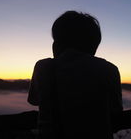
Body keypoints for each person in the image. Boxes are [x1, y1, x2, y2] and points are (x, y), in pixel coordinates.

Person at [28, 11, 123, 139]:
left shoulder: (43, 67)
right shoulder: (109, 70)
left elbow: (34, 100)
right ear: (94, 47)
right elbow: (116, 110)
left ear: (56, 44)